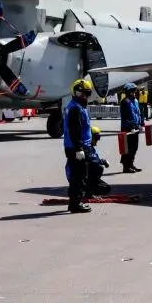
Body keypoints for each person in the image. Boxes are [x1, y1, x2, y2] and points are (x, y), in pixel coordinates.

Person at [62, 79, 94, 213]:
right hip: (76, 147)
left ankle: (74, 202)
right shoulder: (76, 108)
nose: (84, 96)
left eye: (87, 94)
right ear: (75, 93)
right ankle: (76, 203)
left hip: (76, 146)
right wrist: (79, 149)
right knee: (79, 177)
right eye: (82, 93)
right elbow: (74, 130)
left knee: (78, 176)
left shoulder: (77, 106)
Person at [119, 84, 142, 173]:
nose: (134, 93)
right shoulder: (125, 102)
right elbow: (126, 116)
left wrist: (141, 123)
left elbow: (138, 113)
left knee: (134, 147)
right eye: (132, 91)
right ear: (128, 92)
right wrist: (132, 126)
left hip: (135, 127)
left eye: (135, 91)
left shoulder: (135, 101)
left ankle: (131, 164)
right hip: (128, 128)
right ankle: (126, 166)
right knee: (127, 148)